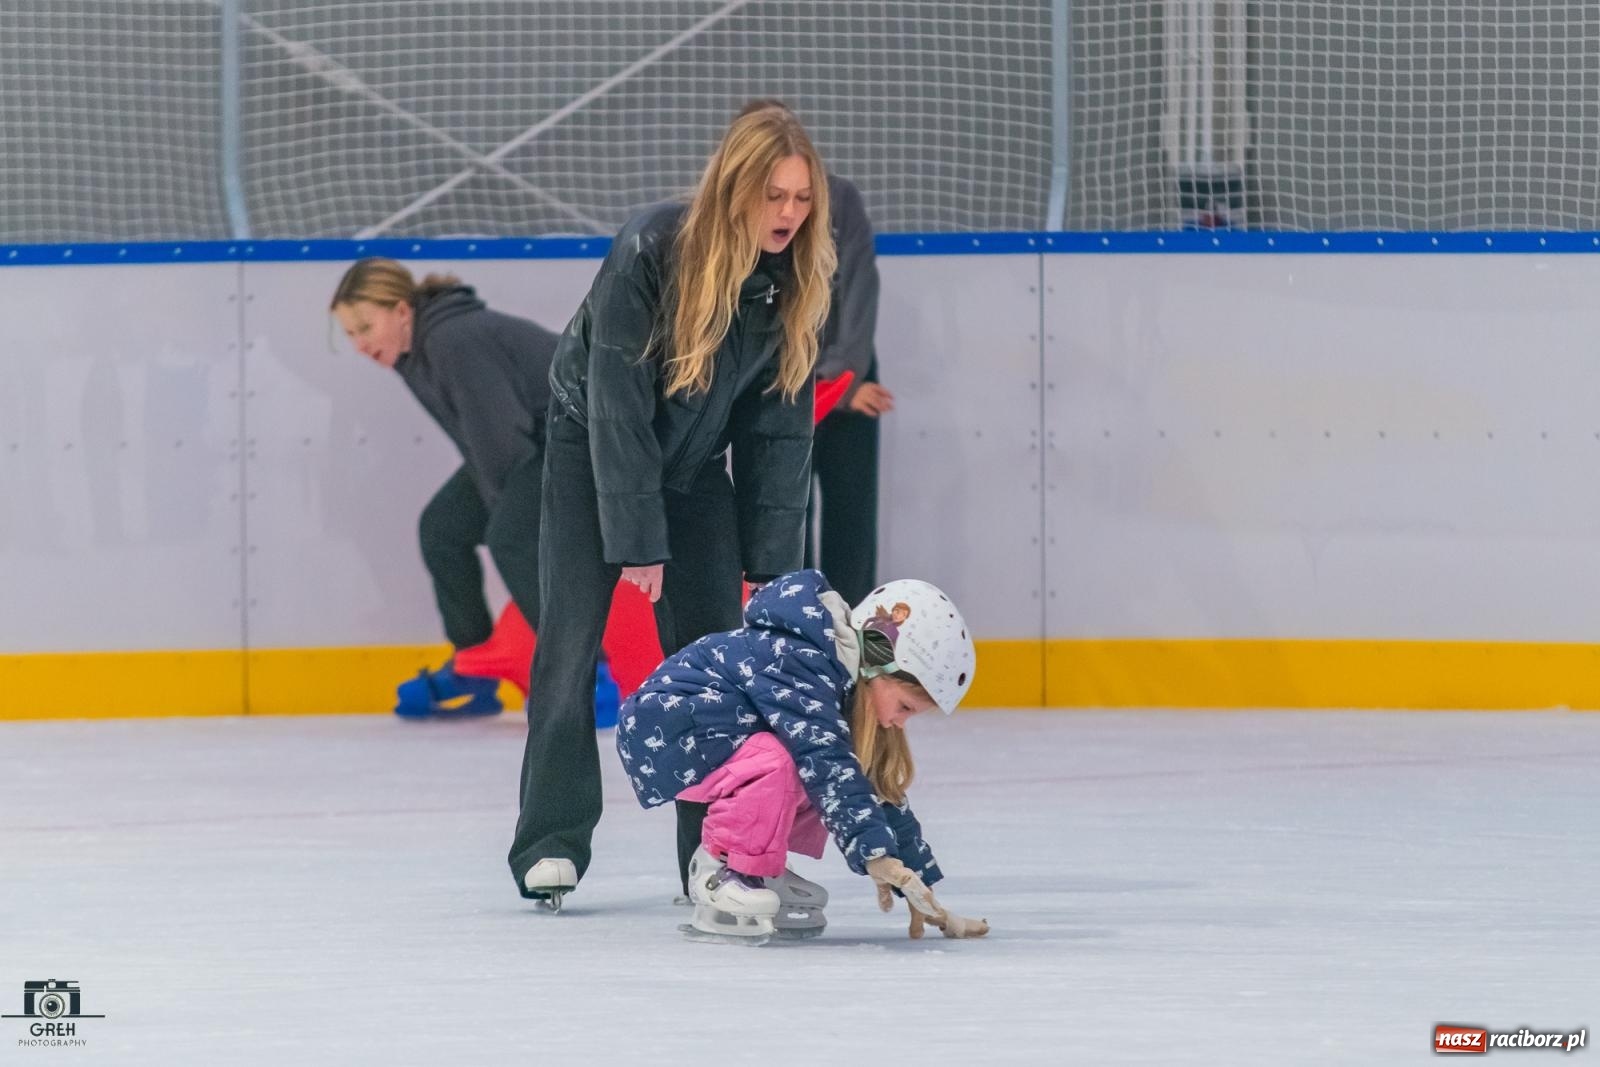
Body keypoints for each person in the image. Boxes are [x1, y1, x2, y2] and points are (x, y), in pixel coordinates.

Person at [507, 107, 838, 905]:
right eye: (773, 195)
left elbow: (779, 433)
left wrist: (772, 566)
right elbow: (617, 404)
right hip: (590, 453)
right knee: (569, 643)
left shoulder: (793, 282)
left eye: (801, 198)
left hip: (693, 470)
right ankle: (550, 840)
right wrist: (638, 538)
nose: (789, 213)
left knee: (714, 662)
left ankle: (714, 851)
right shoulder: (649, 250)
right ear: (733, 189)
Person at [616, 568, 988, 943]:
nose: (899, 722)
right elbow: (825, 761)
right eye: (904, 706)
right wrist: (875, 855)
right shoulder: (803, 659)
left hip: (716, 732)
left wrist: (920, 888)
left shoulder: (843, 684)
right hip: (667, 727)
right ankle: (723, 868)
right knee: (787, 761)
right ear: (879, 663)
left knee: (832, 770)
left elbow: (871, 788)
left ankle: (759, 868)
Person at [330, 259, 557, 717]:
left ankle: (582, 675)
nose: (360, 345)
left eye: (365, 327)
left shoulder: (453, 340)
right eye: (350, 334)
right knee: (443, 529)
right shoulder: (414, 353)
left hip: (579, 444)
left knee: (511, 538)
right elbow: (483, 443)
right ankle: (476, 667)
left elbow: (504, 439)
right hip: (535, 447)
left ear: (401, 310)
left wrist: (512, 515)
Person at [738, 100, 890, 607]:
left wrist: (842, 381)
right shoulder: (735, 215)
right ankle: (796, 626)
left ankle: (853, 633)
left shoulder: (839, 198)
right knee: (786, 519)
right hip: (780, 384)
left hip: (845, 379)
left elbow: (861, 289)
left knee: (852, 517)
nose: (790, 209)